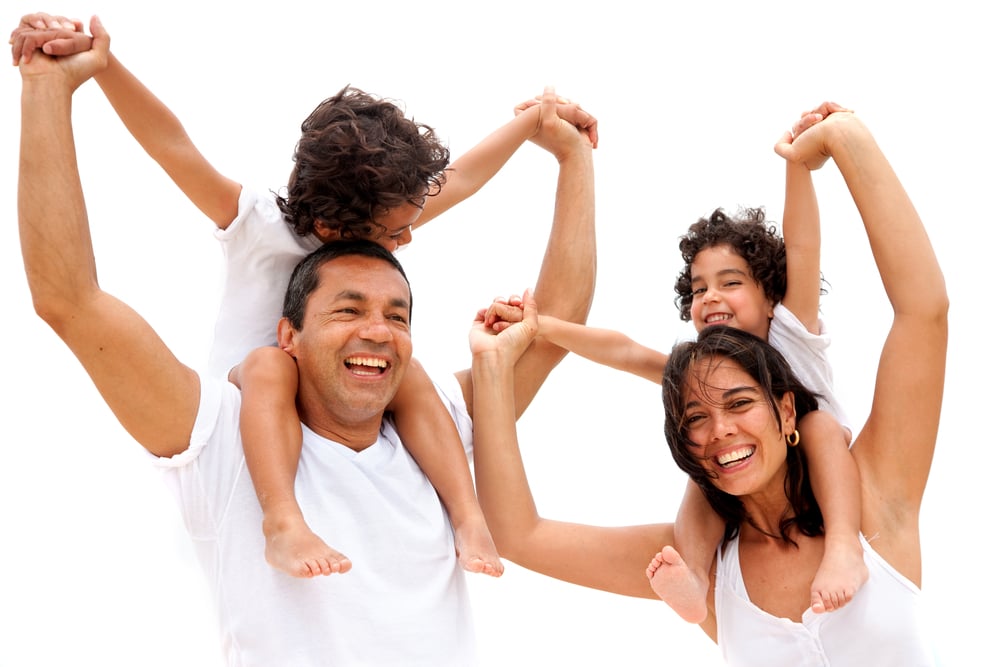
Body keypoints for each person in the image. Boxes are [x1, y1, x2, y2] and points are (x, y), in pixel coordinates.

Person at [17, 15, 595, 666]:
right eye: (350, 307)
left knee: (415, 378)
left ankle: (468, 513)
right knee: (267, 367)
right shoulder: (258, 246)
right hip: (257, 387)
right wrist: (89, 75)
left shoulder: (382, 234)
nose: (408, 237)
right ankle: (282, 517)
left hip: (341, 388)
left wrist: (551, 134)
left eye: (397, 315)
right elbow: (167, 153)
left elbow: (542, 305)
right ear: (331, 225)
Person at [469, 106, 946, 665]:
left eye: (740, 402)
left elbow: (922, 312)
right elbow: (519, 535)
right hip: (704, 561)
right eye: (693, 418)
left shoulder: (869, 493)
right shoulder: (713, 561)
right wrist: (498, 364)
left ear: (783, 411)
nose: (718, 429)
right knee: (698, 508)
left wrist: (837, 143)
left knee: (825, 429)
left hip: (833, 483)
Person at [520, 138, 865, 620]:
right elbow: (626, 352)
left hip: (819, 481)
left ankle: (844, 546)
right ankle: (695, 577)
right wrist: (542, 325)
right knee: (705, 464)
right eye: (700, 289)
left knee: (819, 426)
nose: (711, 297)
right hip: (755, 478)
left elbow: (803, 246)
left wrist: (797, 166)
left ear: (770, 297)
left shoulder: (790, 331)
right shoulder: (705, 371)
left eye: (730, 282)